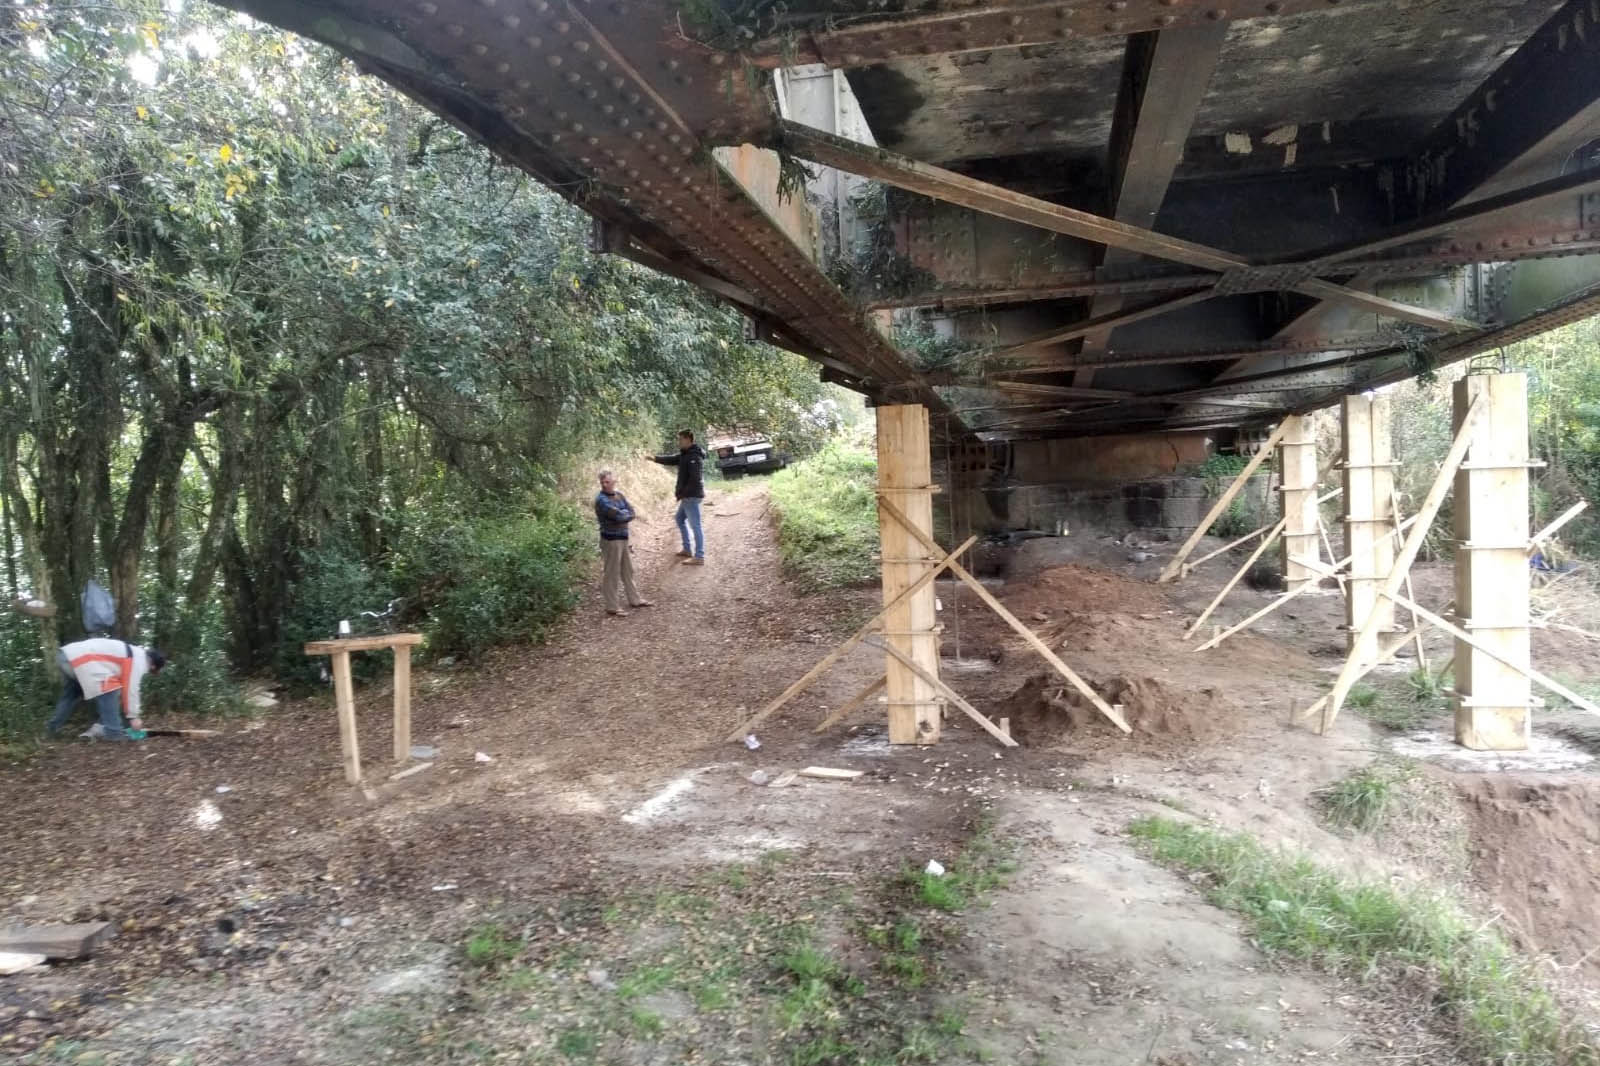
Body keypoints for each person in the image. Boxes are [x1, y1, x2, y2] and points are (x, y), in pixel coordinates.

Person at [47, 638, 168, 741]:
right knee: (110, 688)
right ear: (153, 666)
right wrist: (134, 716)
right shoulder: (140, 660)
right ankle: (113, 732)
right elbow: (131, 689)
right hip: (84, 660)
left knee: (71, 695)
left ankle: (51, 729)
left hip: (66, 656)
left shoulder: (134, 652)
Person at [594, 469, 654, 616]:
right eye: (602, 482)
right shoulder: (601, 500)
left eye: (607, 481)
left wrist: (623, 514)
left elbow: (631, 512)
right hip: (610, 540)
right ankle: (612, 606)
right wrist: (624, 514)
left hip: (623, 537)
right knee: (611, 573)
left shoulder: (619, 495)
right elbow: (620, 516)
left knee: (628, 570)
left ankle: (635, 599)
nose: (604, 484)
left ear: (614, 481)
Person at [648, 429, 707, 565]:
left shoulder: (694, 457)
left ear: (688, 439)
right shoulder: (685, 454)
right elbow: (671, 459)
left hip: (691, 496)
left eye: (680, 439)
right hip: (688, 496)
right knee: (679, 519)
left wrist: (683, 493)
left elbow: (695, 479)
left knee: (696, 525)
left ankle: (699, 556)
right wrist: (655, 458)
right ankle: (687, 549)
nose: (678, 442)